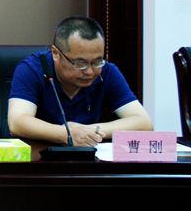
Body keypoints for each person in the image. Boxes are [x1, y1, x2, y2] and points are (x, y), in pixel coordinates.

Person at [8, 16, 152, 146]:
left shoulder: (107, 72)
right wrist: (66, 134)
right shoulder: (32, 69)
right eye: (80, 63)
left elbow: (143, 123)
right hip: (41, 159)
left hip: (89, 160)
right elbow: (17, 122)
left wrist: (87, 131)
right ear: (56, 53)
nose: (90, 71)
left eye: (97, 61)